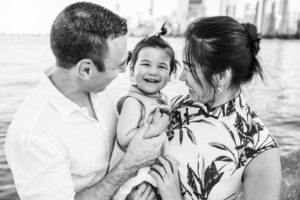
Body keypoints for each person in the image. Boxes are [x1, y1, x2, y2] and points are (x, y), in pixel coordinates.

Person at [5, 2, 167, 200]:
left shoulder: (106, 87)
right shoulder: (33, 135)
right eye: (119, 65)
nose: (125, 71)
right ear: (86, 70)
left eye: (128, 59)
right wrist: (129, 165)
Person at [149, 16, 282, 200]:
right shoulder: (177, 107)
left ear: (221, 76)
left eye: (190, 68)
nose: (181, 77)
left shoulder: (258, 149)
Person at [112, 25, 179, 199]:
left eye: (162, 67)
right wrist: (156, 129)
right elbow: (125, 139)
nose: (153, 72)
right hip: (131, 177)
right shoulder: (134, 102)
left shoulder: (163, 97)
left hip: (148, 170)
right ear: (132, 69)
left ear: (171, 73)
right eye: (146, 64)